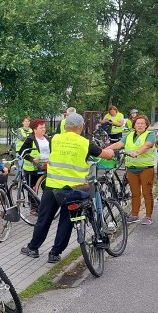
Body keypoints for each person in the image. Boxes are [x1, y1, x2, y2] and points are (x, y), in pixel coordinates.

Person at [21, 113, 115, 264]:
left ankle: (33, 248)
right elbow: (106, 155)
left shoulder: (54, 139)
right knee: (66, 221)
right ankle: (54, 253)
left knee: (44, 218)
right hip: (74, 190)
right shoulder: (86, 143)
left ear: (65, 127)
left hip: (52, 187)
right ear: (81, 127)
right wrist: (111, 151)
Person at [107, 114, 155, 224]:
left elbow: (147, 145)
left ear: (146, 125)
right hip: (131, 169)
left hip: (145, 168)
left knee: (147, 193)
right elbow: (119, 144)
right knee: (135, 193)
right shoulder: (129, 135)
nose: (140, 125)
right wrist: (104, 150)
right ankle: (134, 215)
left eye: (142, 123)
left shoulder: (150, 134)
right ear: (134, 125)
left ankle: (148, 216)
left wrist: (136, 152)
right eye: (138, 123)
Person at [17, 118, 50, 214]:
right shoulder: (30, 139)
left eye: (44, 127)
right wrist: (32, 159)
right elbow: (21, 153)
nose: (43, 129)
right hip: (32, 169)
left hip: (45, 167)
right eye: (41, 128)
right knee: (33, 189)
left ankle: (45, 206)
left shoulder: (47, 138)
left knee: (47, 189)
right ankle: (34, 208)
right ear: (35, 129)